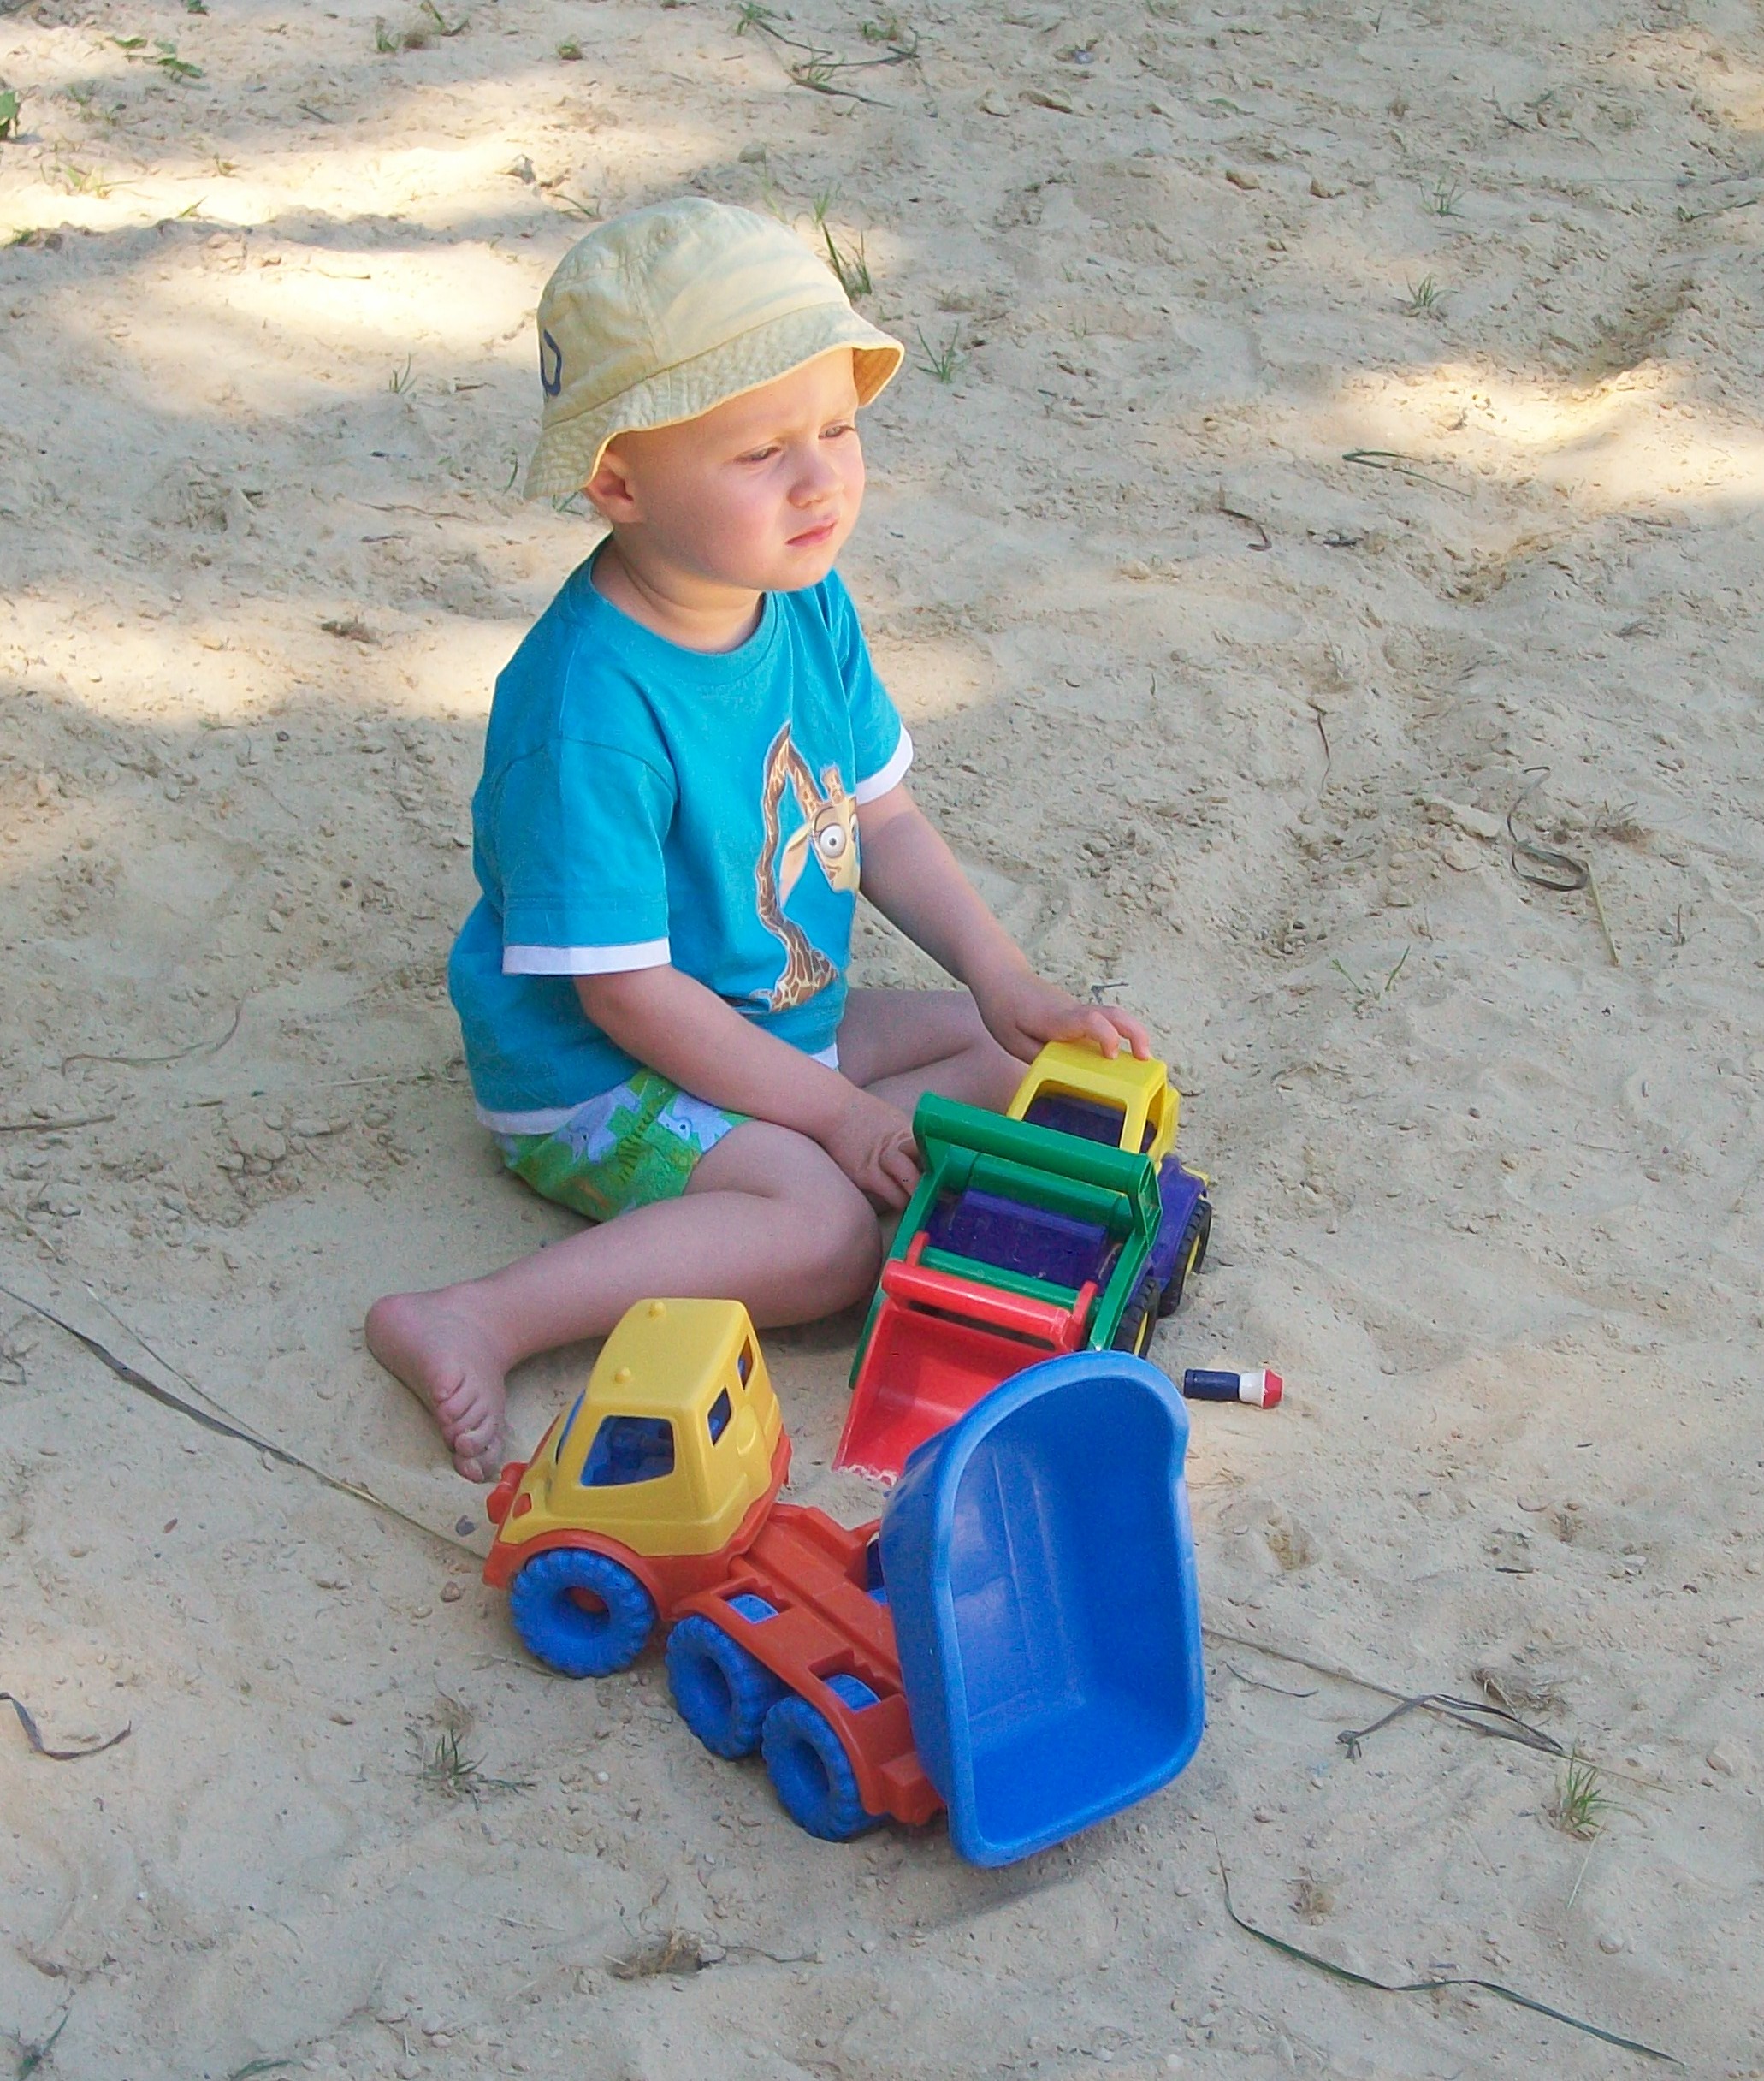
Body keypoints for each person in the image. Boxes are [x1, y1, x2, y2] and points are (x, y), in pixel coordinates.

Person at [366, 198, 1148, 1480]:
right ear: (619, 482)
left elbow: (881, 818)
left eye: (837, 428)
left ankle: (826, 1155)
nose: (820, 478)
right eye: (759, 451)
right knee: (827, 1238)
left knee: (1010, 1059)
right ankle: (478, 1316)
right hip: (604, 1073)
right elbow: (625, 995)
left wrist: (1005, 981)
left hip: (773, 1011)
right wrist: (836, 1117)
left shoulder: (802, 599)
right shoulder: (588, 708)